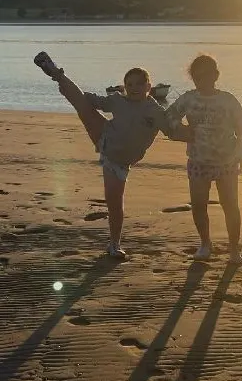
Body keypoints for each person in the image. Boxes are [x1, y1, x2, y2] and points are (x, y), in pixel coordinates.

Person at [34, 51, 191, 259]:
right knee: (80, 103)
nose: (134, 88)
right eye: (130, 84)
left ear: (148, 87)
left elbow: (173, 132)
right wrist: (77, 96)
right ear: (125, 87)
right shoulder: (118, 100)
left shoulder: (155, 111)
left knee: (114, 203)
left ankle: (114, 244)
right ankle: (55, 72)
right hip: (105, 136)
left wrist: (196, 133)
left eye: (139, 84)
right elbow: (92, 101)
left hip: (120, 162)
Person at [167, 54, 242, 264]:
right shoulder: (188, 98)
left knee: (230, 204)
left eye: (207, 75)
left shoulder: (227, 100)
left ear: (216, 75)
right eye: (197, 76)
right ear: (192, 78)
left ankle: (234, 249)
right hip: (198, 161)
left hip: (227, 161)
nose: (202, 80)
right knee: (198, 204)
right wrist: (182, 131)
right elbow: (168, 118)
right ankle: (205, 243)